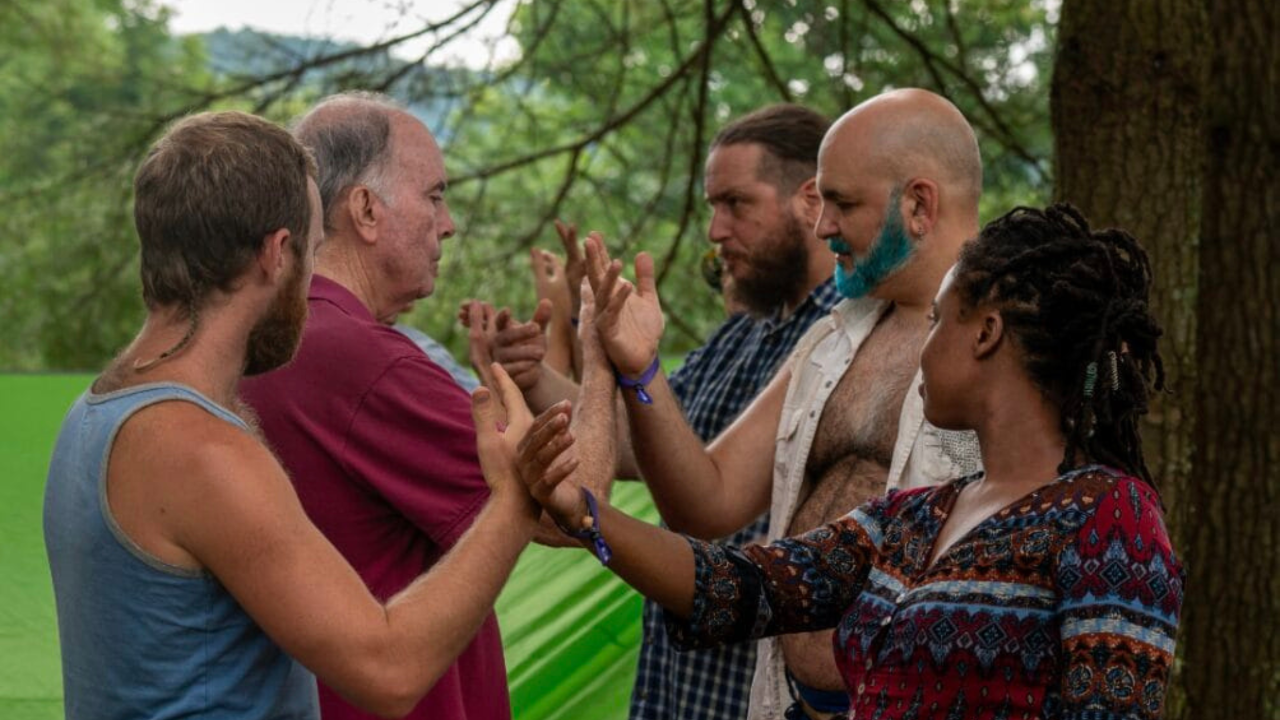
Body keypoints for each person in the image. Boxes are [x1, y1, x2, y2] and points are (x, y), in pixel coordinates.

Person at [511, 203, 1184, 720]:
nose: (921, 350)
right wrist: (585, 517)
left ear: (986, 333)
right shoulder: (915, 518)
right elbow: (737, 587)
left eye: (938, 322)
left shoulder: (1107, 516)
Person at [43, 110, 539, 720]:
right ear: (277, 254)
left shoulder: (95, 413)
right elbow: (388, 669)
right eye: (311, 252)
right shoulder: (200, 450)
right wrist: (515, 501)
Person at [534, 88, 985, 719]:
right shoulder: (830, 341)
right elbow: (707, 500)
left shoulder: (1012, 347)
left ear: (918, 203)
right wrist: (639, 368)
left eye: (842, 203)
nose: (823, 224)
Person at [472, 104, 844, 720]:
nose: (715, 231)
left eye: (736, 204)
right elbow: (631, 444)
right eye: (710, 208)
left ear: (809, 200)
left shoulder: (844, 343)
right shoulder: (744, 333)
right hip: (678, 692)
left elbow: (705, 499)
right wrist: (536, 375)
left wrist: (621, 364)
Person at [238, 92, 514, 720]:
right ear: (364, 209)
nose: (447, 224)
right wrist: (615, 366)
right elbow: (566, 504)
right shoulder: (365, 360)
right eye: (435, 196)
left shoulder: (258, 337)